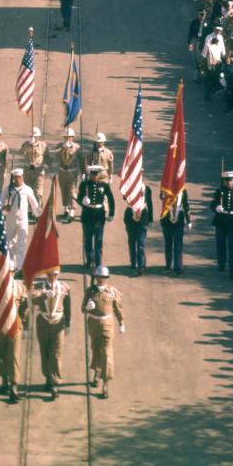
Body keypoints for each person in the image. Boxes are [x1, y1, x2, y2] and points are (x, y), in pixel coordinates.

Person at [82, 266, 124, 398]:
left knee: (106, 353)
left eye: (104, 277)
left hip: (107, 324)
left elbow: (118, 308)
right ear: (96, 278)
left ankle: (105, 384)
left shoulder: (112, 292)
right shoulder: (90, 291)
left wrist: (121, 322)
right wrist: (87, 308)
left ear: (107, 278)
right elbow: (82, 309)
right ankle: (97, 373)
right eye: (99, 277)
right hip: (93, 323)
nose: (101, 280)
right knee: (95, 348)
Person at [31, 268, 71, 399]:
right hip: (43, 322)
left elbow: (68, 307)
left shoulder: (65, 287)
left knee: (56, 353)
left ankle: (55, 383)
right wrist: (43, 296)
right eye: (50, 273)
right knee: (45, 351)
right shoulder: (39, 287)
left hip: (58, 323)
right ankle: (48, 377)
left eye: (55, 274)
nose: (53, 276)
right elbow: (32, 301)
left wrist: (68, 324)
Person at [0, 272, 29, 402]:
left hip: (15, 324)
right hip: (0, 323)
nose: (9, 274)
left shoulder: (20, 287)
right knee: (1, 353)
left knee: (13, 356)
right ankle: (4, 381)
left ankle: (14, 387)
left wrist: (25, 326)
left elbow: (24, 308)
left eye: (11, 271)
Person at [77, 165, 115, 270]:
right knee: (88, 240)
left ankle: (98, 263)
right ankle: (89, 260)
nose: (94, 176)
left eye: (96, 174)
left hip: (99, 215)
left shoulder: (104, 185)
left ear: (99, 175)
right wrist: (82, 201)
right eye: (92, 174)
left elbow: (111, 199)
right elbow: (78, 198)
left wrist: (111, 213)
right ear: (89, 174)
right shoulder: (84, 184)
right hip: (87, 215)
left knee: (98, 240)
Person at [210, 171, 233, 279]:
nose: (229, 183)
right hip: (221, 220)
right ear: (224, 181)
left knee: (232, 246)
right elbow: (212, 205)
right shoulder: (219, 192)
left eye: (231, 180)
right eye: (227, 181)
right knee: (220, 245)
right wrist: (216, 208)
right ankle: (221, 264)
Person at [4, 168, 41, 270]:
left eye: (19, 177)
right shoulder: (8, 189)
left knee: (21, 243)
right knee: (9, 242)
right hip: (11, 219)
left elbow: (34, 203)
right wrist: (4, 208)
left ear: (22, 177)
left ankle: (20, 267)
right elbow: (0, 202)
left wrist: (38, 215)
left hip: (23, 220)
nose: (17, 180)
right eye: (15, 178)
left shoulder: (27, 189)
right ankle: (11, 265)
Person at [123, 184, 153, 276]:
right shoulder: (128, 187)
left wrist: (150, 218)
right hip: (130, 217)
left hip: (142, 217)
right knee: (132, 242)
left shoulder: (146, 188)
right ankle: (133, 263)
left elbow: (149, 203)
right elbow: (125, 197)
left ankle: (140, 265)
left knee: (140, 243)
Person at [160, 185, 190, 275]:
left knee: (178, 244)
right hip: (167, 220)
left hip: (179, 221)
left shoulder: (183, 190)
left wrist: (188, 220)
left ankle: (178, 266)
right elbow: (161, 197)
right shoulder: (166, 187)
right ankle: (168, 265)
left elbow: (186, 206)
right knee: (168, 244)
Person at [57, 128, 82, 222]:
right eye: (66, 137)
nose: (68, 139)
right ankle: (66, 210)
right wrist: (64, 147)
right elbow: (56, 154)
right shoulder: (60, 146)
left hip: (73, 172)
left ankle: (71, 212)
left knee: (72, 192)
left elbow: (82, 159)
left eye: (70, 137)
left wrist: (83, 172)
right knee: (64, 191)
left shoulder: (77, 147)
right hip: (62, 172)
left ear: (72, 137)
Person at [21, 127, 48, 205]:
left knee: (38, 190)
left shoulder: (43, 145)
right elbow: (21, 152)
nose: (33, 138)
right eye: (32, 136)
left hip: (39, 170)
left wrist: (50, 169)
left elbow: (48, 157)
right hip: (28, 170)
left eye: (35, 137)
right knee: (28, 190)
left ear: (38, 137)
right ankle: (30, 210)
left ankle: (37, 208)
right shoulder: (26, 144)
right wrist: (28, 145)